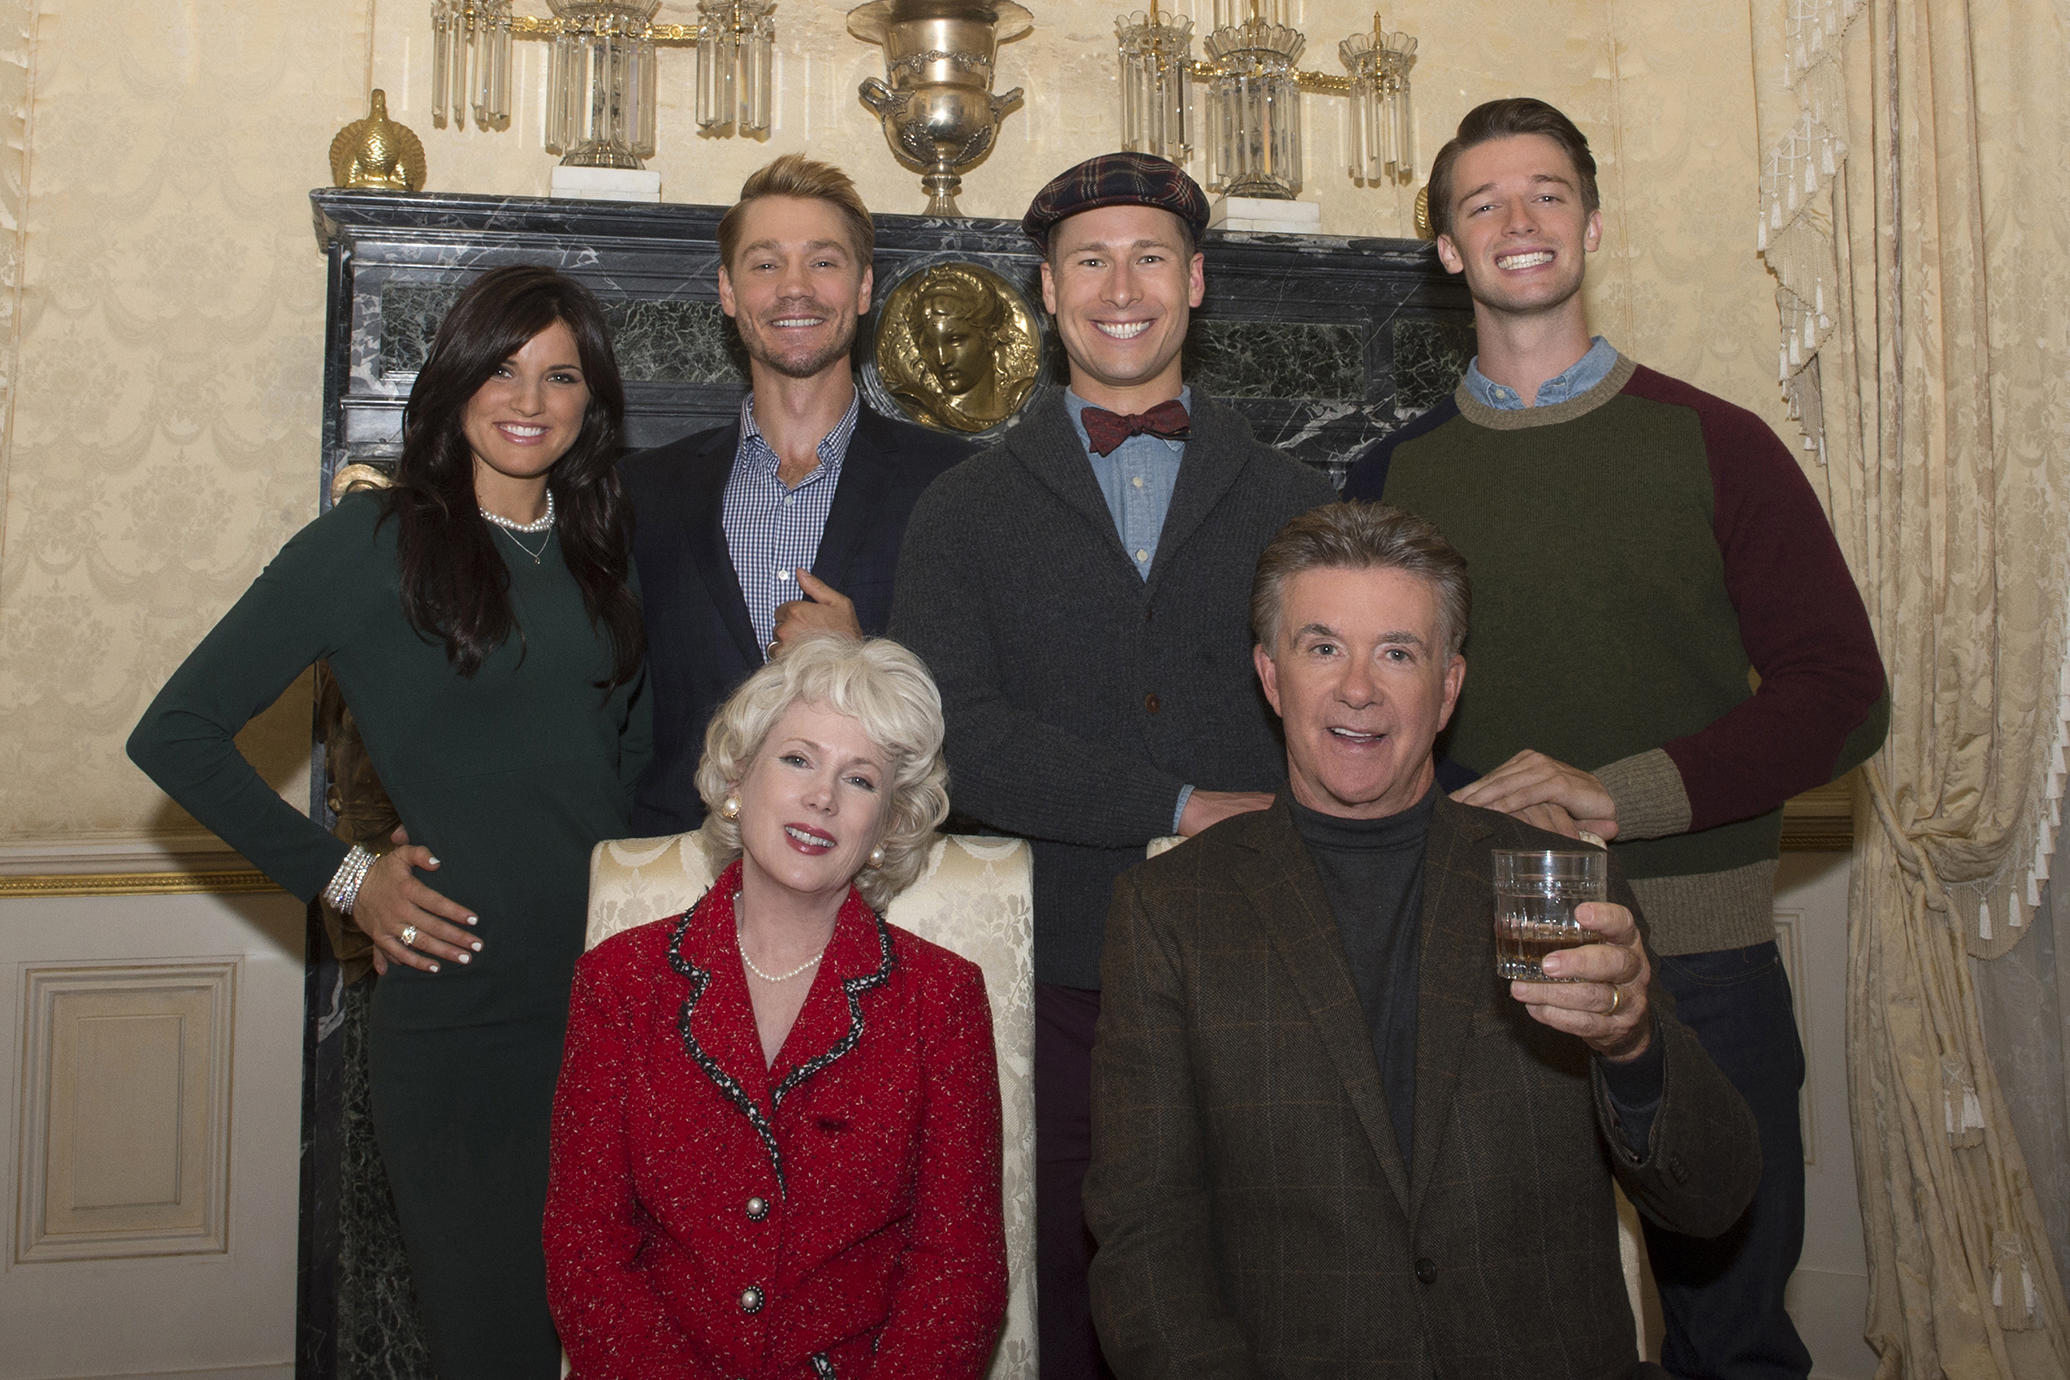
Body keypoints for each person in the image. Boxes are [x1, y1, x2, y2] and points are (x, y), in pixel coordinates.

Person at [1341, 98, 1888, 1380]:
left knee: (1734, 1343)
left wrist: (1617, 794)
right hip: (1483, 983)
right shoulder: (1388, 480)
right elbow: (1364, 719)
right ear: (1447, 250)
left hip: (1704, 971)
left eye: (1547, 193)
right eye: (1483, 203)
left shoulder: (1717, 444)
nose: (1519, 220)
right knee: (1512, 1343)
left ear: (1592, 225)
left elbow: (1841, 692)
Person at [1085, 501, 1762, 1378]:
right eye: (1323, 648)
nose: (1357, 688)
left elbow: (1712, 1200)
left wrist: (1634, 1046)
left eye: (1397, 653)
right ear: (1271, 678)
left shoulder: (1559, 885)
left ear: (1447, 689)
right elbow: (1145, 1245)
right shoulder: (1171, 911)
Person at [127, 265, 651, 1377]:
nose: (530, 399)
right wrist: (347, 878)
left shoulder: (601, 551)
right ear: (455, 381)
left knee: (622, 1341)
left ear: (592, 401)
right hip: (463, 1017)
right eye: (503, 368)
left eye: (561, 375)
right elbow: (175, 734)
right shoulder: (372, 542)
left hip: (616, 1006)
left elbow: (628, 773)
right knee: (496, 1345)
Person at [889, 151, 1337, 1379]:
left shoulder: (1302, 504)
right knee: (1072, 1276)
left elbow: (1352, 710)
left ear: (1196, 283)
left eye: (1150, 258)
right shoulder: (963, 511)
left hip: (1266, 953)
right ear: (1047, 290)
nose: (1121, 287)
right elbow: (955, 731)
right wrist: (1177, 804)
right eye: (1090, 261)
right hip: (1056, 970)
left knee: (1272, 1273)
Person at [543, 634, 1008, 1377]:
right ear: (738, 777)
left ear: (888, 825)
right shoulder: (620, 982)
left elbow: (959, 1277)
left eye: (860, 780)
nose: (823, 797)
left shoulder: (941, 998)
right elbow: (585, 1254)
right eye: (798, 759)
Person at [622, 154, 970, 835]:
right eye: (765, 263)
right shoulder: (642, 493)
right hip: (680, 865)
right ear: (728, 291)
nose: (794, 288)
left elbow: (997, 708)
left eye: (823, 261)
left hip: (881, 863)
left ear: (863, 288)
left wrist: (860, 656)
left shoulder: (954, 483)